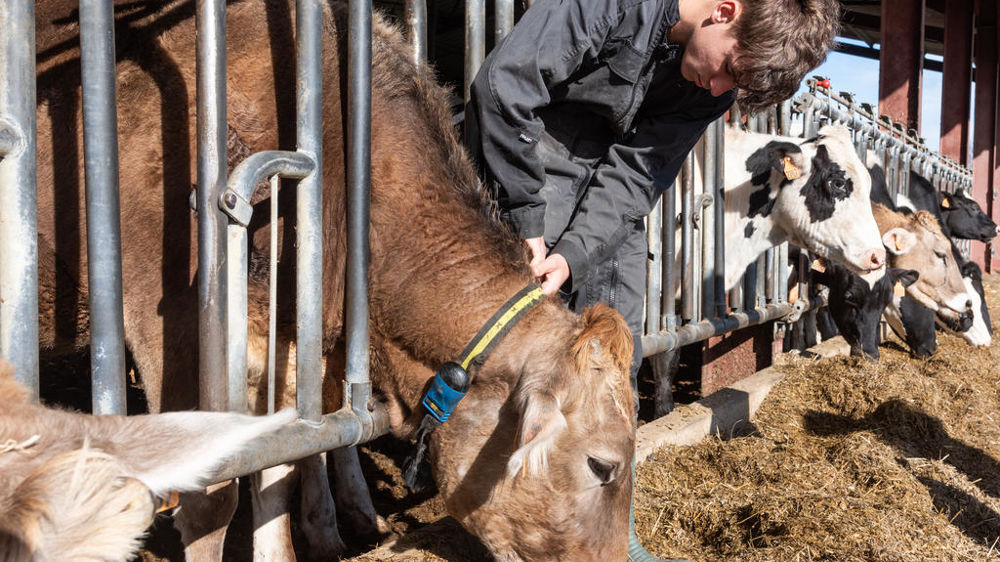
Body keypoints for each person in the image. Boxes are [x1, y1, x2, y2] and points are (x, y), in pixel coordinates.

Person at [464, 0, 840, 406]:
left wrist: (574, 256)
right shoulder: (614, 6)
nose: (718, 89)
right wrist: (525, 216)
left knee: (616, 353)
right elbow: (505, 89)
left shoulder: (711, 92)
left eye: (733, 86)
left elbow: (638, 173)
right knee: (521, 339)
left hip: (606, 182)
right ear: (725, 11)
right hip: (531, 148)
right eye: (729, 69)